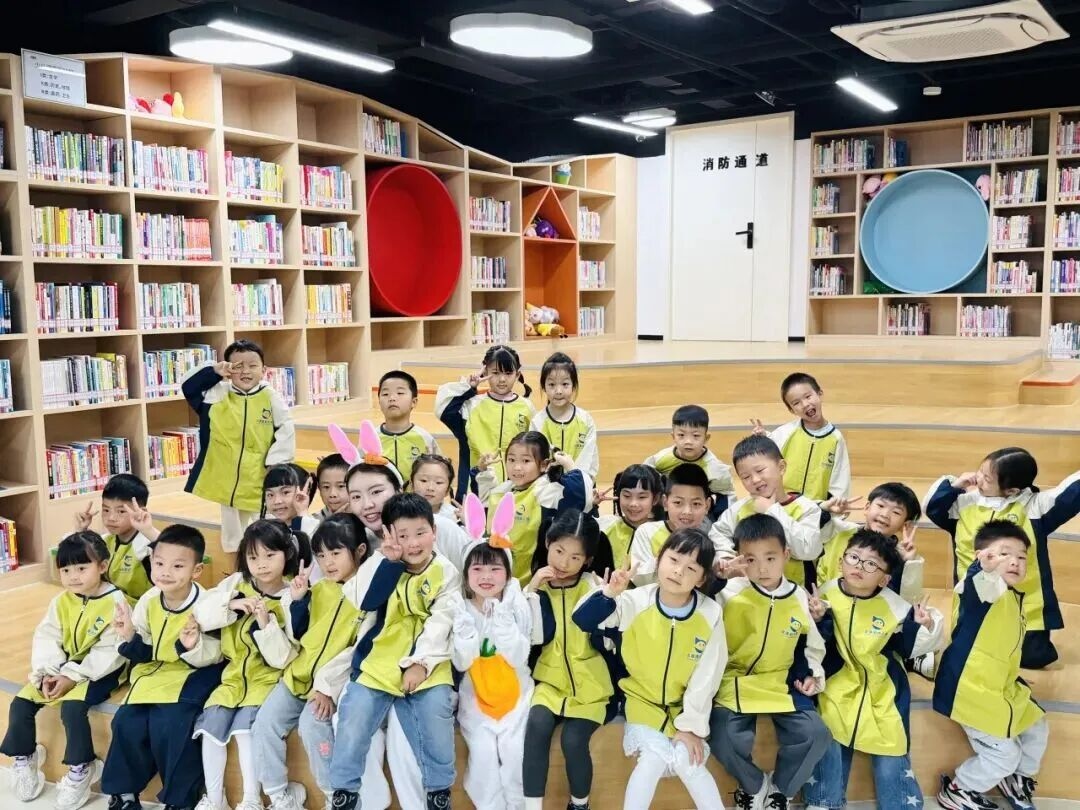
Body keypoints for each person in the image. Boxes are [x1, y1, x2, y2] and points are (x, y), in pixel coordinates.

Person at [575, 529, 727, 810]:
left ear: (702, 578)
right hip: (641, 703)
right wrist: (610, 593)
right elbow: (583, 620)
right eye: (674, 560)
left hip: (684, 708)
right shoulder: (634, 601)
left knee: (688, 761)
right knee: (652, 760)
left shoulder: (710, 613)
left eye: (691, 568)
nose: (678, 571)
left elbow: (708, 675)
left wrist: (690, 727)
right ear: (659, 559)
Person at [329, 493, 461, 810]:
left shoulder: (446, 572)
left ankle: (438, 792)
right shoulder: (384, 562)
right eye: (402, 535)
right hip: (379, 658)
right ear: (388, 534)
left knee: (436, 713)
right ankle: (344, 792)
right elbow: (362, 599)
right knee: (354, 713)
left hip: (429, 662)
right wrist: (385, 561)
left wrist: (421, 664)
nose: (413, 543)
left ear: (434, 531)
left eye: (420, 532)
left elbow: (441, 623)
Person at [252, 514, 392, 810]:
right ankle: (279, 797)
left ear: (360, 551)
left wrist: (327, 687)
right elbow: (299, 636)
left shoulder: (368, 598)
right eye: (321, 555)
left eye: (335, 553)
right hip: (297, 676)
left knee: (312, 725)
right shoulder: (317, 589)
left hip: (331, 685)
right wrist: (299, 601)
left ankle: (336, 798)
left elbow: (355, 652)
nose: (327, 562)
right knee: (264, 723)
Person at [804, 529, 945, 810]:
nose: (859, 567)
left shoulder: (895, 606)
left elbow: (908, 648)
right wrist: (819, 619)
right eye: (854, 558)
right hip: (837, 683)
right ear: (842, 560)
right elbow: (818, 643)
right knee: (828, 735)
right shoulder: (826, 594)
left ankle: (901, 806)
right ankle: (824, 802)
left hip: (883, 687)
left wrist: (923, 626)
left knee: (892, 745)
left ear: (884, 579)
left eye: (871, 564)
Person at [710, 514, 831, 810]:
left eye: (770, 558)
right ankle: (754, 786)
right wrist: (717, 579)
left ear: (786, 555)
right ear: (739, 559)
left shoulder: (798, 596)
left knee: (816, 734)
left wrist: (813, 675)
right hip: (733, 681)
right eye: (751, 559)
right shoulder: (728, 593)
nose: (762, 568)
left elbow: (811, 645)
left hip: (781, 683)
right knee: (722, 734)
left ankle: (779, 792)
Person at [100, 525, 224, 810]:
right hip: (152, 673)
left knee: (173, 724)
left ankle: (180, 801)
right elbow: (143, 649)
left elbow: (217, 654)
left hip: (193, 676)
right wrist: (129, 635)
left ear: (196, 570)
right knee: (126, 721)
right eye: (159, 564)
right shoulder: (149, 599)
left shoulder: (207, 605)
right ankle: (124, 794)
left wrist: (192, 646)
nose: (165, 572)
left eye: (177, 566)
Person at [2, 532, 128, 810]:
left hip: (99, 671)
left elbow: (110, 651)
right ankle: (25, 757)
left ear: (102, 566)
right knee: (21, 703)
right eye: (66, 570)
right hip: (62, 667)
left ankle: (82, 766)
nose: (73, 577)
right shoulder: (61, 600)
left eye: (82, 568)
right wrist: (47, 671)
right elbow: (47, 636)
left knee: (72, 708)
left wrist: (71, 676)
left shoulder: (116, 602)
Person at [926, 447, 1080, 668]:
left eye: (987, 478)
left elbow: (1071, 493)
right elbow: (932, 507)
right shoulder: (962, 504)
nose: (978, 479)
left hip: (1025, 605)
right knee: (972, 653)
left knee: (1031, 658)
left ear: (1012, 490)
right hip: (974, 601)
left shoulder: (1035, 507)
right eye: (980, 471)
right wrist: (954, 486)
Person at [934, 520, 1049, 810]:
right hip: (969, 690)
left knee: (1037, 724)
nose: (1015, 561)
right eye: (1004, 553)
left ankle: (1016, 778)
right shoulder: (983, 588)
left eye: (1021, 556)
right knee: (1004, 755)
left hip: (999, 686)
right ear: (981, 556)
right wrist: (982, 569)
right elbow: (980, 586)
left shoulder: (1012, 596)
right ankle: (959, 789)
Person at [191, 520, 302, 810]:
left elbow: (284, 657)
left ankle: (252, 799)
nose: (261, 564)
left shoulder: (291, 596)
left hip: (267, 681)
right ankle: (215, 799)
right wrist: (230, 605)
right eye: (253, 557)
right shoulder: (235, 584)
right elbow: (200, 614)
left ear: (287, 554)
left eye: (270, 555)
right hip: (231, 679)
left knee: (245, 730)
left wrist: (266, 624)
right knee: (210, 727)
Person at [521, 510, 615, 810]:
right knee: (536, 725)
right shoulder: (534, 587)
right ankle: (531, 806)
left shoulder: (593, 586)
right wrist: (533, 590)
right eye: (559, 551)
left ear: (587, 560)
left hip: (591, 688)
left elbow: (608, 636)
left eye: (575, 557)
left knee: (573, 740)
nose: (564, 563)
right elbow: (531, 636)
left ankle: (579, 805)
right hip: (548, 683)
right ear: (547, 543)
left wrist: (608, 596)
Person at [183, 339, 295, 554]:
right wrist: (214, 372)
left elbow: (286, 428)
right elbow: (189, 387)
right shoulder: (216, 395)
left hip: (258, 476)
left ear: (263, 370)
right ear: (228, 370)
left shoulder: (270, 396)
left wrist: (276, 463)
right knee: (233, 534)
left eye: (252, 366)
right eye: (238, 366)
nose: (245, 371)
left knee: (265, 526)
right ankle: (236, 562)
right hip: (227, 480)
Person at [451, 542, 533, 810]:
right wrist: (465, 634)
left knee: (515, 751)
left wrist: (504, 622)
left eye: (495, 569)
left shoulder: (516, 606)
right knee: (483, 755)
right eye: (477, 569)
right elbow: (461, 663)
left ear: (508, 574)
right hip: (476, 699)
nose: (486, 576)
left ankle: (517, 805)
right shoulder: (460, 609)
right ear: (466, 574)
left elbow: (518, 657)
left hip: (517, 697)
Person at [476, 430, 594, 585]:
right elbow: (484, 503)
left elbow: (582, 498)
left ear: (543, 465)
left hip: (531, 582)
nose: (517, 467)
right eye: (511, 460)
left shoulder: (544, 492)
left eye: (526, 461)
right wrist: (483, 471)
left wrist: (570, 466)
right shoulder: (502, 490)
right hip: (497, 578)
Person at [710, 435, 823, 588]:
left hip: (791, 594)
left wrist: (772, 510)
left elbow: (809, 550)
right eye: (746, 477)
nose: (755, 480)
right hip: (748, 594)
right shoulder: (739, 509)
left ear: (781, 467)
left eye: (760, 470)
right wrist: (726, 556)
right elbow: (719, 532)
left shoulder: (806, 508)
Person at [436, 344, 536, 500]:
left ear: (517, 375)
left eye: (508, 373)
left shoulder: (527, 407)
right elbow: (443, 411)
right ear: (485, 371)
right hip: (473, 486)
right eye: (495, 373)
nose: (502, 379)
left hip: (516, 487)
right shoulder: (472, 405)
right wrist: (468, 388)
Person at [751, 372, 851, 502]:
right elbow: (768, 453)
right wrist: (762, 439)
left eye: (808, 396)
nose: (805, 404)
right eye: (796, 403)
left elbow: (840, 479)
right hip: (783, 504)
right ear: (791, 410)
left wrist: (835, 506)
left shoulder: (836, 438)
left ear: (819, 393)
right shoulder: (787, 432)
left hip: (816, 508)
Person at [72, 473, 159, 602]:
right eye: (106, 510)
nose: (111, 518)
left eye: (121, 511)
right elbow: (76, 564)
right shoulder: (105, 541)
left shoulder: (146, 546)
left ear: (142, 511)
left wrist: (148, 530)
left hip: (140, 609)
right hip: (110, 604)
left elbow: (172, 552)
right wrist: (80, 531)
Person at [629, 464, 714, 586]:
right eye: (678, 502)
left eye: (696, 504)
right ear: (665, 502)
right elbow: (638, 578)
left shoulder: (713, 537)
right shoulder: (647, 532)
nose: (687, 512)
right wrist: (665, 557)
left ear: (707, 506)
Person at [644, 404, 734, 519]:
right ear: (673, 436)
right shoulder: (660, 459)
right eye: (681, 435)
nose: (688, 441)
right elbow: (644, 475)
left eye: (696, 436)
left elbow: (726, 498)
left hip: (698, 514)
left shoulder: (715, 469)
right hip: (668, 509)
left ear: (706, 438)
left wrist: (721, 523)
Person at [530, 352, 599, 479]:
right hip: (547, 488)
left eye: (565, 384)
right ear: (544, 387)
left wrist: (576, 480)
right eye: (552, 385)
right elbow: (536, 461)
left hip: (579, 485)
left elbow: (590, 461)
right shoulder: (537, 422)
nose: (558, 391)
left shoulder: (585, 420)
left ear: (574, 386)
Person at [377, 370, 441, 483]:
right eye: (385, 394)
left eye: (400, 393)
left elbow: (439, 473)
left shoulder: (425, 439)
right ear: (379, 402)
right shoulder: (372, 438)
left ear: (414, 402)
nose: (392, 398)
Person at [599, 464, 664, 570]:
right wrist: (589, 505)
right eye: (627, 496)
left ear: (655, 499)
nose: (633, 503)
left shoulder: (663, 534)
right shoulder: (605, 525)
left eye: (642, 497)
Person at [411, 453, 459, 520]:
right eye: (424, 480)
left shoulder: (454, 516)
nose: (430, 488)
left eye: (438, 482)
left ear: (448, 490)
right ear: (411, 484)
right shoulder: (400, 513)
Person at [315, 453, 350, 518]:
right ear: (319, 488)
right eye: (326, 487)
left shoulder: (367, 520)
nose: (332, 494)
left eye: (341, 486)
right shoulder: (313, 521)